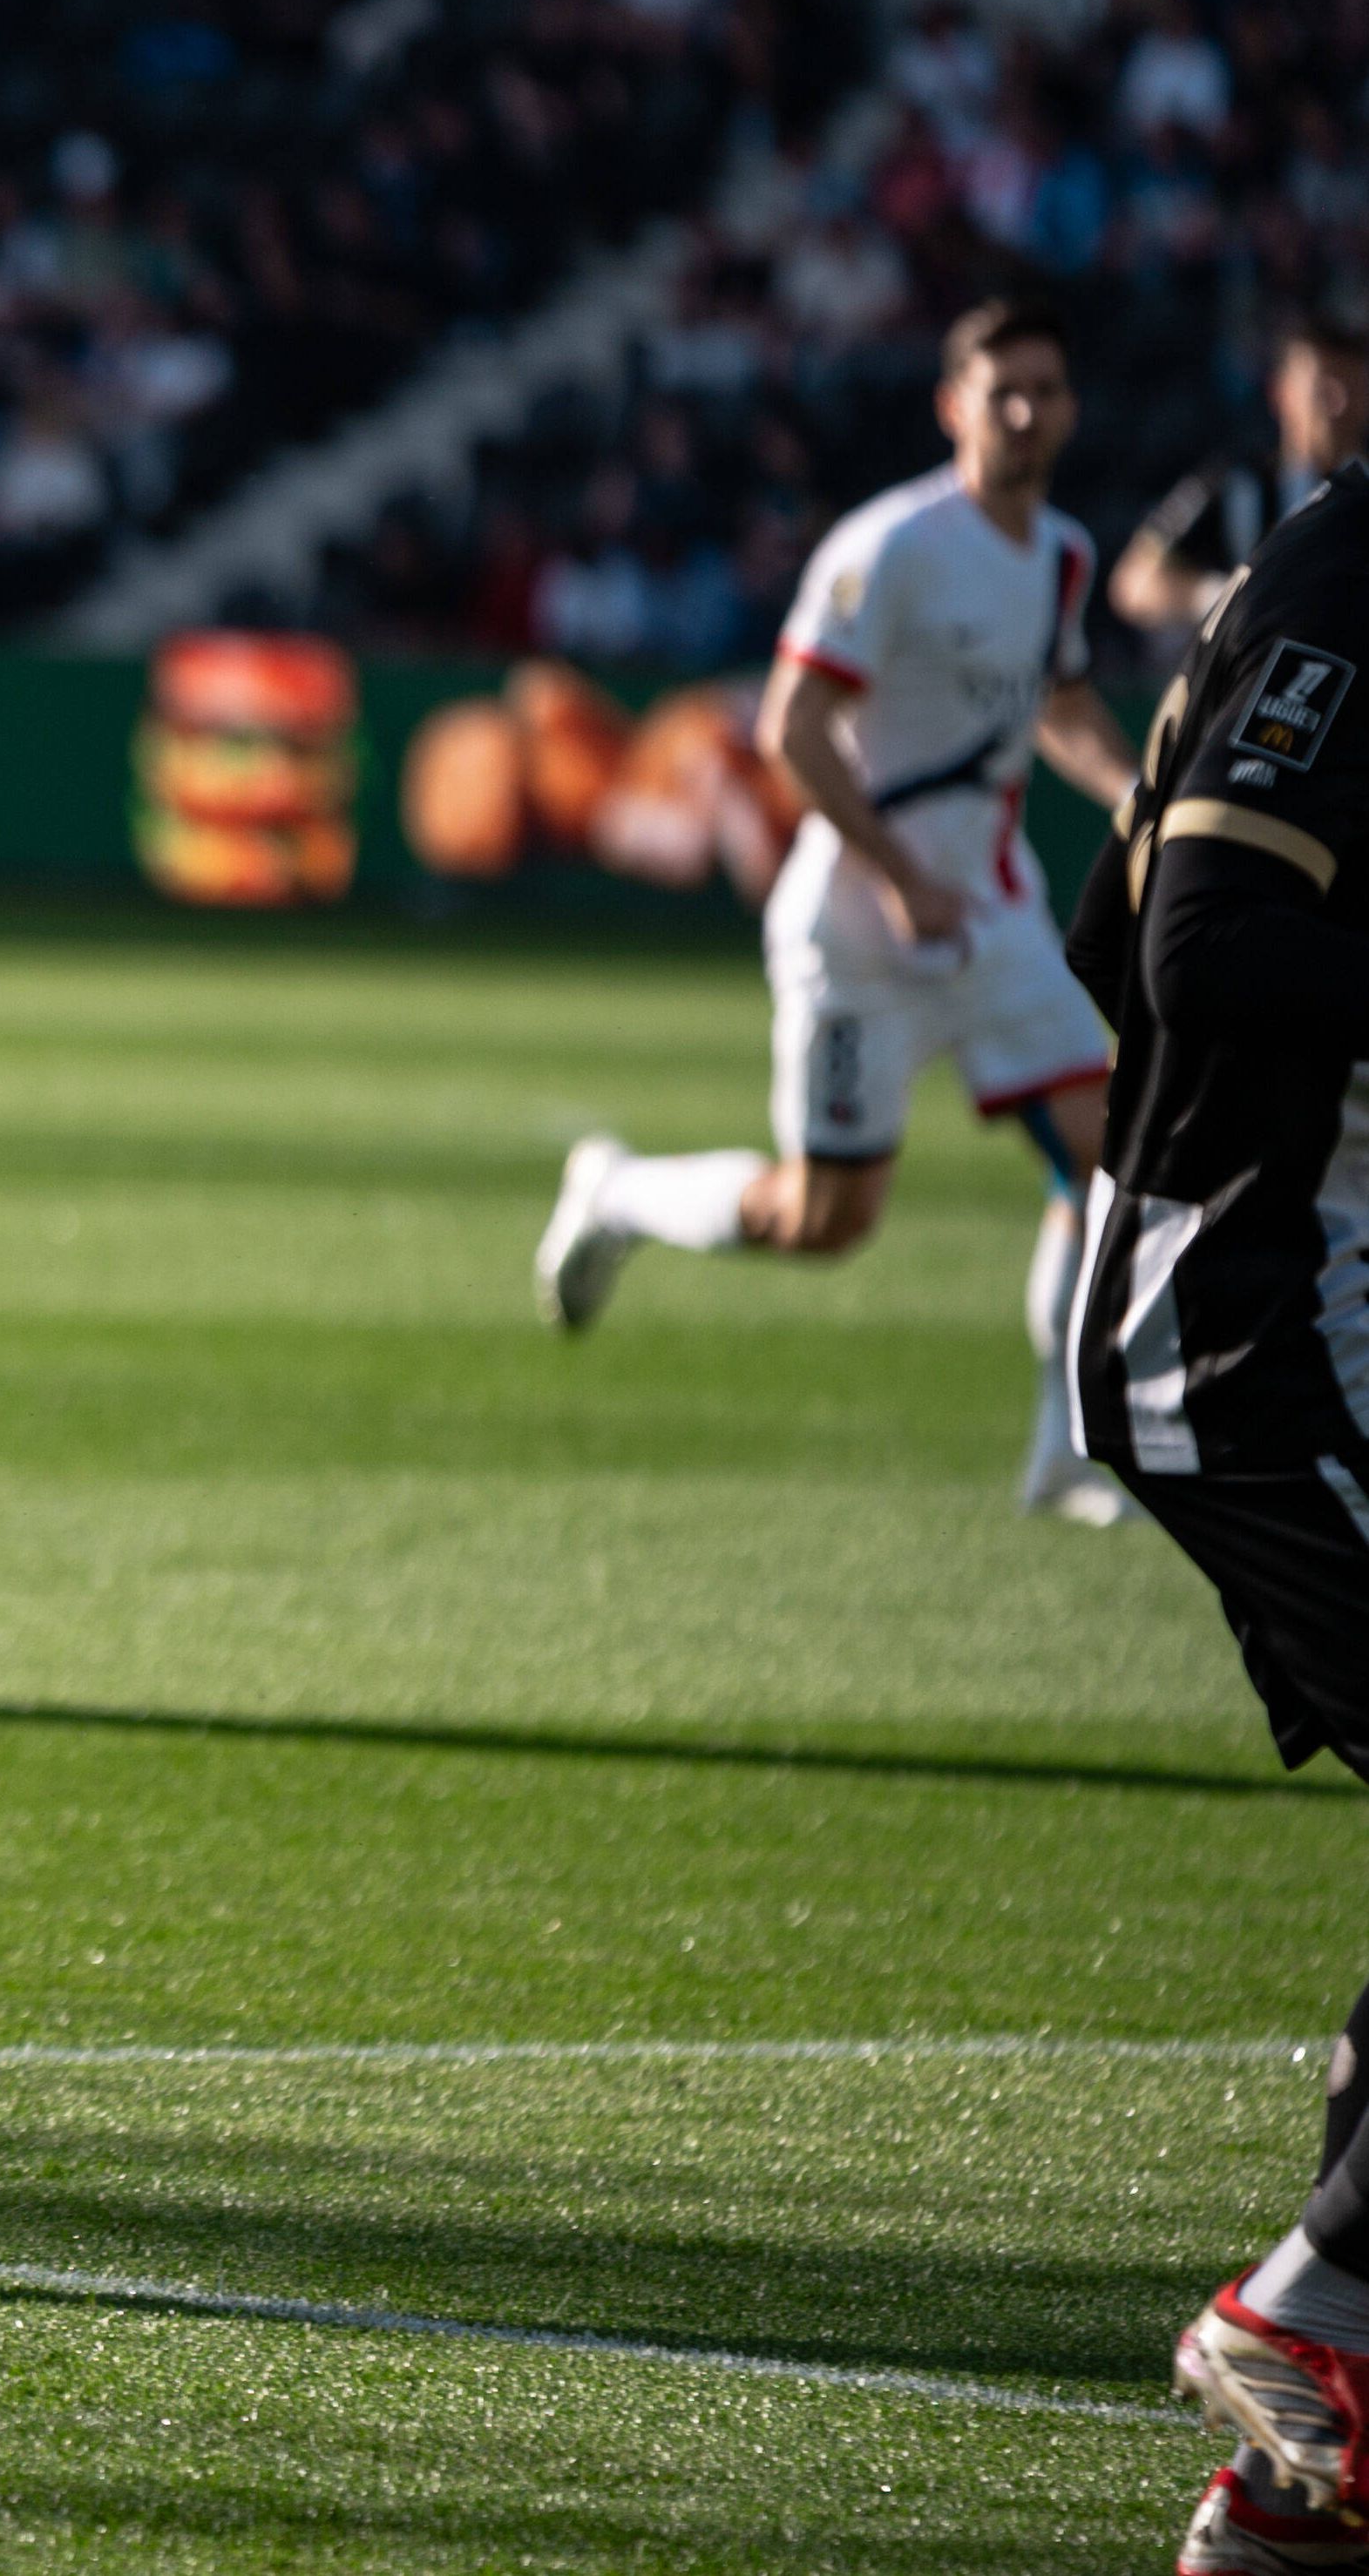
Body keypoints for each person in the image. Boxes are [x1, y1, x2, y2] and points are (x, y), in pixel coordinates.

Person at [533, 300, 1138, 1523]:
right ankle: (615, 1192)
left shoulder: (1061, 552)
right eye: (1000, 390)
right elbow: (790, 729)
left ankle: (1066, 1454)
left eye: (1045, 389)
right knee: (823, 1220)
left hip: (989, 910)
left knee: (1112, 1152)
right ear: (951, 406)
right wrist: (897, 872)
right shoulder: (889, 546)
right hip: (857, 926)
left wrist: (1132, 792)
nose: (1025, 412)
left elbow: (1058, 697)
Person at [1059, 463, 1369, 2572]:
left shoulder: (1313, 562)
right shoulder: (1361, 576)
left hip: (1279, 1292)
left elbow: (1103, 928)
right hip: (1253, 1323)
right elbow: (1199, 932)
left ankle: (1288, 2485)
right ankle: (1299, 2305)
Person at [1113, 316, 1369, 638]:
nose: (1340, 405)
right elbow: (1134, 581)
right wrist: (1226, 597)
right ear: (1282, 393)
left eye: (1355, 388)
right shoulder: (1235, 485)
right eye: (1324, 388)